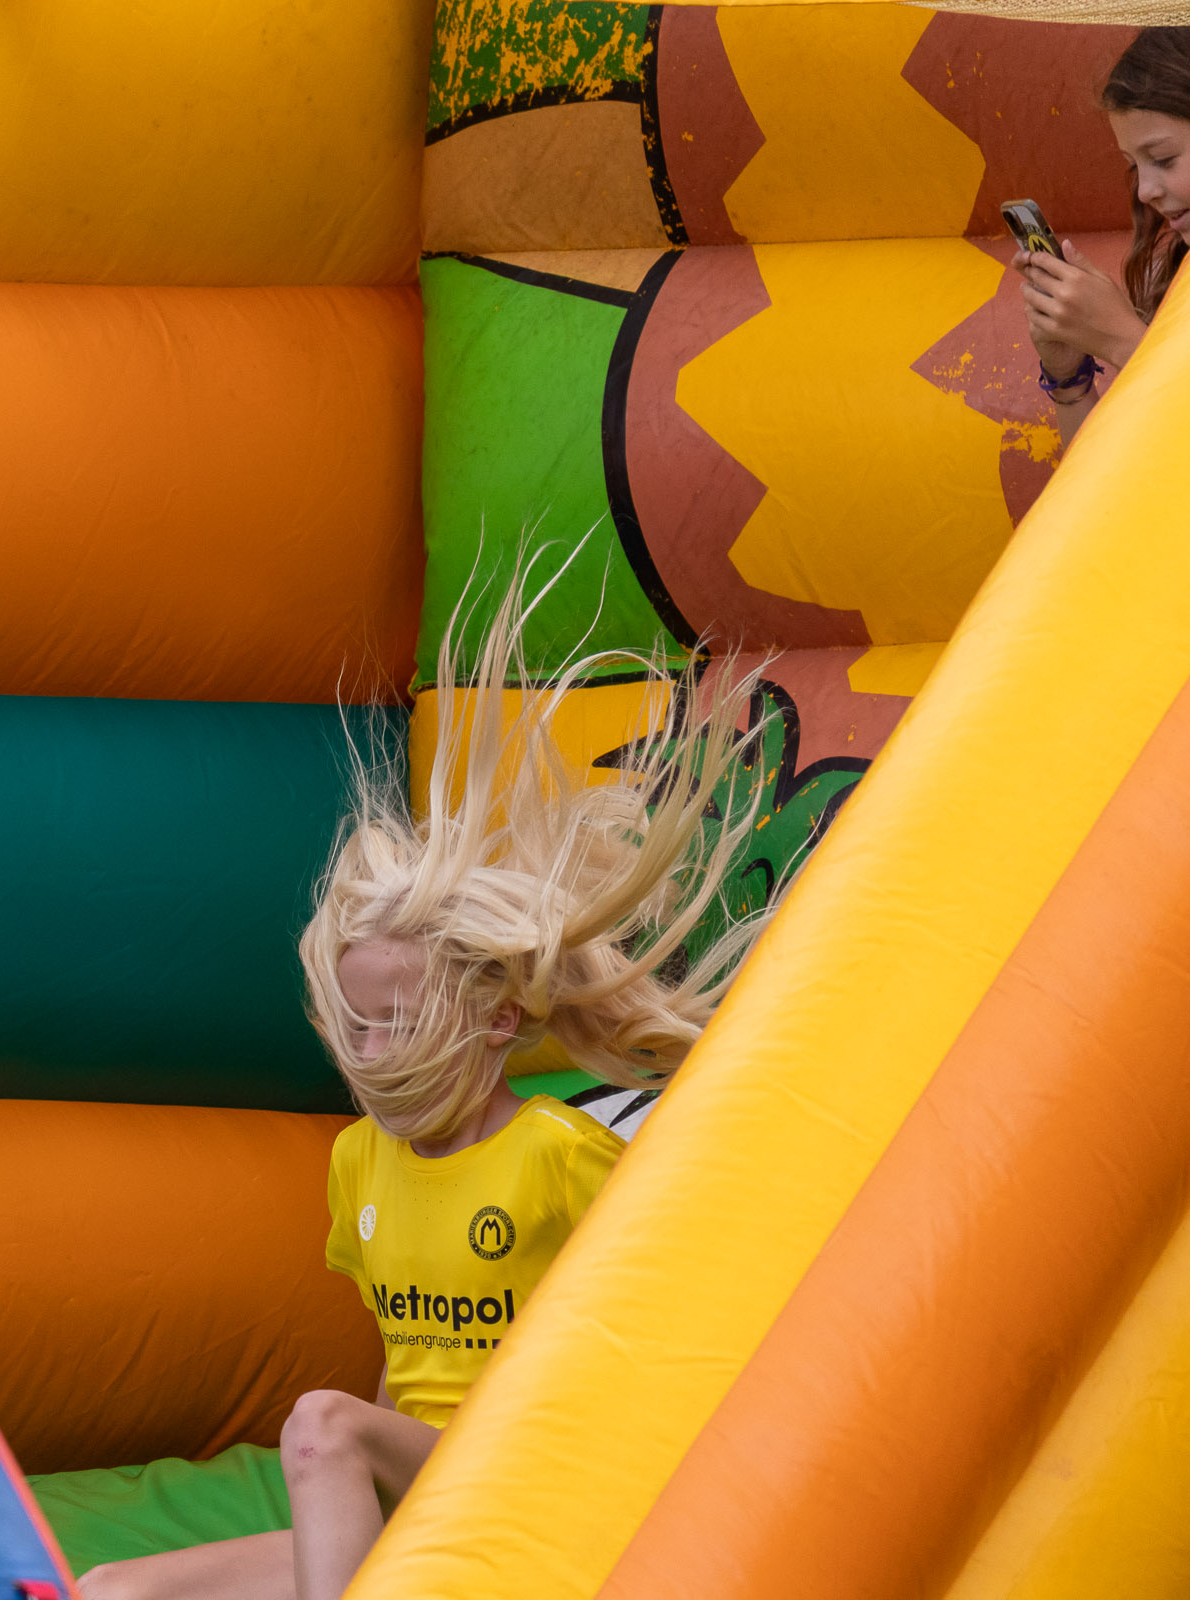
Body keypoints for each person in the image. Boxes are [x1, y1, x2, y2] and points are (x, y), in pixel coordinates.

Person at [70, 577, 775, 1600]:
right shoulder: (360, 1163)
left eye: (399, 1021)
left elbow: (668, 1325)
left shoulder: (557, 1157)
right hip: (426, 1494)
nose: (371, 1049)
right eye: (357, 1023)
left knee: (321, 1422)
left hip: (536, 1492)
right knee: (110, 1588)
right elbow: (402, 1380)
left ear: (496, 1022)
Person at [1014, 26, 1190, 449]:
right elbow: (1108, 478)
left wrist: (1120, 338)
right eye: (1134, 166)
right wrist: (1069, 375)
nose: (1145, 191)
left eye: (1163, 159)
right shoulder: (1185, 278)